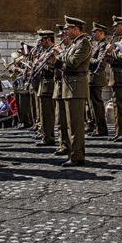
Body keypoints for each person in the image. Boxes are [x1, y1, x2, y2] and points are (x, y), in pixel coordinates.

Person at [51, 15, 91, 167]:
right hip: (70, 86)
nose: (65, 31)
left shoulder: (84, 43)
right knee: (69, 124)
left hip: (76, 86)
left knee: (76, 125)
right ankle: (72, 154)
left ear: (76, 29)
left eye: (68, 28)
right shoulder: (75, 43)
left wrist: (60, 54)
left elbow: (74, 62)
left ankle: (77, 156)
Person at [52, 25, 71, 156]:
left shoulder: (70, 49)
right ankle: (62, 143)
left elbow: (70, 65)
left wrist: (58, 56)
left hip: (68, 85)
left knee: (67, 120)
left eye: (63, 36)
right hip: (59, 86)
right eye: (59, 36)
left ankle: (67, 145)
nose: (60, 39)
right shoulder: (65, 50)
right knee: (60, 119)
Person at [35, 30, 56, 146]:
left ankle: (49, 137)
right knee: (43, 113)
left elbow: (54, 68)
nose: (40, 42)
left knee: (48, 114)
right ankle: (45, 136)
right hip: (43, 84)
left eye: (42, 40)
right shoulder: (45, 51)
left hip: (49, 84)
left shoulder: (53, 51)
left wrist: (42, 65)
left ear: (48, 40)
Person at [88, 22, 109, 137]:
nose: (92, 34)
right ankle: (96, 126)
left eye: (94, 32)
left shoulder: (103, 45)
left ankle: (101, 128)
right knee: (92, 105)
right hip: (91, 78)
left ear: (101, 33)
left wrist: (87, 59)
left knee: (97, 105)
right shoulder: (97, 45)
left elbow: (99, 62)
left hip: (97, 77)